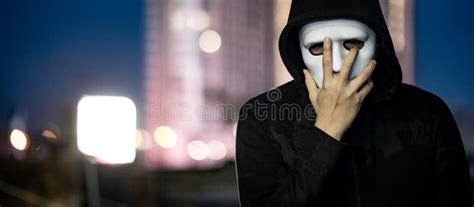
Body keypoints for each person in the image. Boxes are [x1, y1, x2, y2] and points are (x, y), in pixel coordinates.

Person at [234, 0, 472, 206]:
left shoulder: (427, 114)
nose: (337, 63)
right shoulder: (263, 118)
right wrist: (326, 133)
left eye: (353, 44)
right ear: (297, 50)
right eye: (318, 47)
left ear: (378, 43)